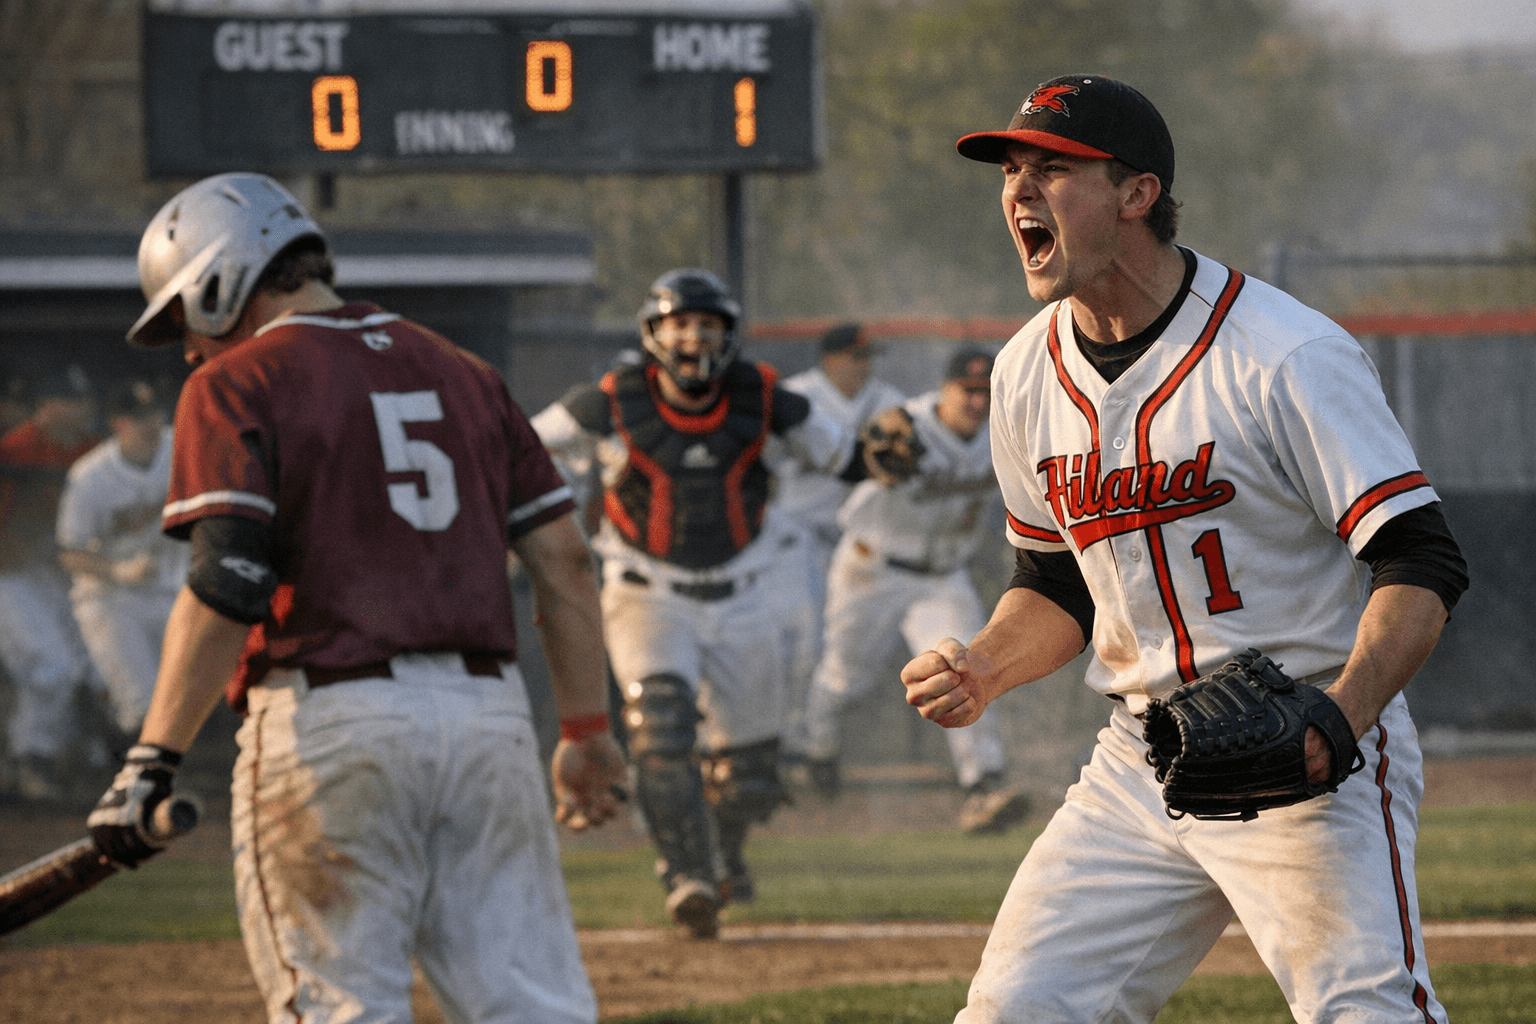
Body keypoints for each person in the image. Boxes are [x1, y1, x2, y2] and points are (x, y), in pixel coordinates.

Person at [903, 75, 1469, 1022]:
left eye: (1053, 168)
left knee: (1366, 1013)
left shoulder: (1282, 353)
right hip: (1140, 757)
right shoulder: (1024, 371)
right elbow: (1056, 582)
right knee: (1013, 1011)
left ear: (1138, 192)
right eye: (1010, 170)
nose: (1019, 189)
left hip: (1305, 746)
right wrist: (985, 666)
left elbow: (1421, 559)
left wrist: (1343, 717)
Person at [86, 172, 627, 1024]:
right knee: (532, 1008)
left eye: (185, 317)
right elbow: (566, 563)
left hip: (330, 727)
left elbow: (227, 582)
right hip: (489, 724)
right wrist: (587, 729)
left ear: (223, 280)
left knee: (342, 1008)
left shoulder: (236, 382)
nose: (187, 348)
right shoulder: (466, 371)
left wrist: (152, 758)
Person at [532, 268, 849, 938]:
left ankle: (723, 852)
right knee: (661, 727)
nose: (693, 337)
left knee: (749, 776)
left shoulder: (762, 396)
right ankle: (687, 875)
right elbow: (524, 448)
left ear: (727, 334)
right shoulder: (609, 400)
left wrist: (889, 449)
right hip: (647, 589)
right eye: (680, 323)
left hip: (746, 586)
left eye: (706, 325)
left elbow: (846, 454)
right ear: (654, 332)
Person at [803, 347, 1030, 834]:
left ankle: (983, 782)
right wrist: (870, 457)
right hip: (872, 569)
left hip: (942, 577)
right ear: (945, 389)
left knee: (965, 668)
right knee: (845, 679)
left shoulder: (1003, 431)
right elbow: (857, 462)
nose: (977, 402)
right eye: (967, 391)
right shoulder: (907, 427)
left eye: (984, 392)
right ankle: (817, 749)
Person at [775, 323, 906, 774]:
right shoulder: (796, 398)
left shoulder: (887, 402)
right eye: (855, 357)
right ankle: (790, 740)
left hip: (857, 543)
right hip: (798, 537)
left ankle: (817, 744)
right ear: (829, 360)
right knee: (802, 642)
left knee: (840, 648)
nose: (863, 366)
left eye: (868, 357)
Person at [57, 380, 188, 745]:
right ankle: (109, 753)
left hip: (174, 589)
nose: (150, 423)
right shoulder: (89, 475)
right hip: (112, 599)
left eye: (154, 413)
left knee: (181, 703)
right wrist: (118, 571)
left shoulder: (183, 446)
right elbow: (68, 552)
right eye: (138, 416)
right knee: (142, 706)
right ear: (118, 423)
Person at [0, 366, 101, 800]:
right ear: (45, 408)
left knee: (86, 665)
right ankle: (30, 758)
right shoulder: (15, 449)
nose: (81, 409)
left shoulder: (90, 450)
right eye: (69, 401)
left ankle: (63, 757)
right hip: (10, 574)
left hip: (57, 571)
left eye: (83, 401)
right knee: (51, 666)